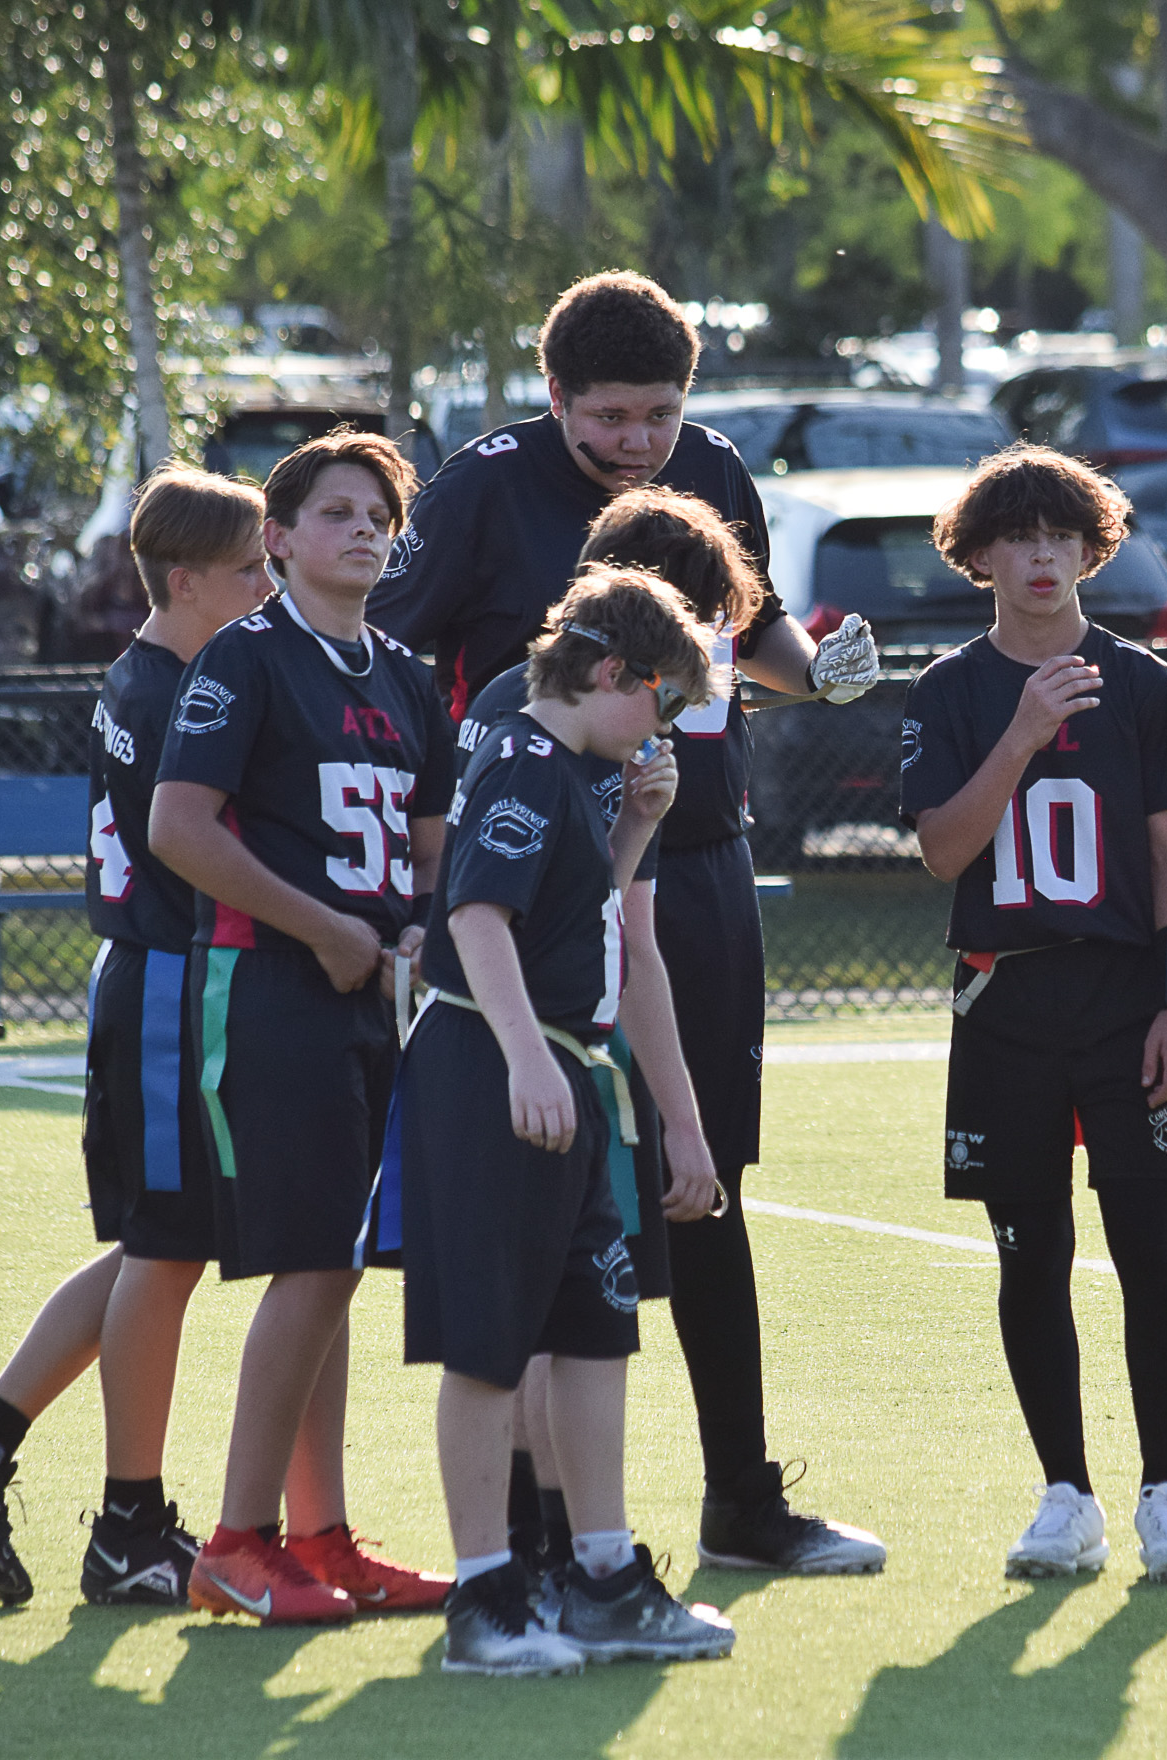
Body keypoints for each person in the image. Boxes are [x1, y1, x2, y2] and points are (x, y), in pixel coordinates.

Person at [371, 272, 885, 1574]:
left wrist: (817, 676)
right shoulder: (483, 488)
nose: (639, 441)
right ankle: (535, 1540)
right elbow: (380, 654)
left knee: (705, 1183)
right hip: (539, 879)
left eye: (659, 412)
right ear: (554, 395)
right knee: (542, 1201)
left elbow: (752, 634)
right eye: (609, 416)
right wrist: (424, 834)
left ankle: (740, 1498)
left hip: (693, 854)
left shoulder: (711, 466)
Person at [0, 467, 271, 1607]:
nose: (267, 586)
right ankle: (128, 1523)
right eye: (250, 569)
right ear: (186, 580)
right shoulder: (174, 692)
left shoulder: (155, 672)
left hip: (156, 976)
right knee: (166, 1250)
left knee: (162, 1244)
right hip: (165, 981)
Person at [147, 431, 459, 1624]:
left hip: (373, 988)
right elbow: (180, 825)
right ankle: (236, 1539)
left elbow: (429, 845)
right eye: (337, 511)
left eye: (380, 514)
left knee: (335, 1264)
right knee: (316, 1259)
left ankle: (322, 1537)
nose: (364, 529)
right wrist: (323, 925)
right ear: (276, 537)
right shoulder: (247, 655)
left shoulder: (404, 672)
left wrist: (421, 925)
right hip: (271, 981)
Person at [401, 569, 738, 1674]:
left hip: (567, 1065)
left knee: (595, 1326)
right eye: (664, 700)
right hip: (504, 1063)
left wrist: (635, 829)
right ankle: (484, 1596)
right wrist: (522, 1055)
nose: (665, 728)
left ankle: (602, 1576)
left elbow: (575, 912)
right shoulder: (525, 757)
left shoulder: (580, 774)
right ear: (610, 672)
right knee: (490, 1344)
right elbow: (477, 917)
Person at [897, 445, 1167, 1585]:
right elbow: (944, 851)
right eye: (1018, 538)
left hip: (1127, 996)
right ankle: (1066, 1494)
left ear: (1092, 550)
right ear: (978, 556)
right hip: (1007, 998)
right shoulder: (947, 690)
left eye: (1061, 537)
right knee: (1028, 1253)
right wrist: (1022, 732)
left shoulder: (1141, 681)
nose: (1041, 557)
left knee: (1150, 1246)